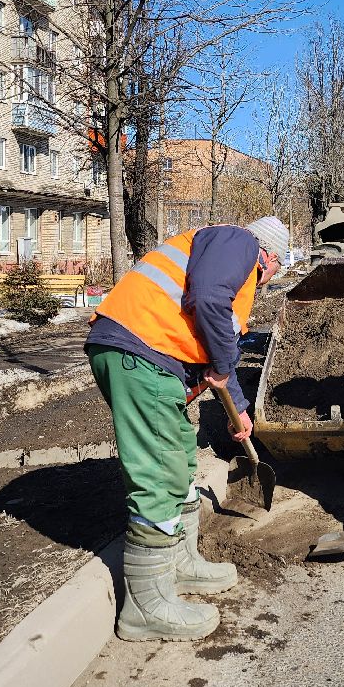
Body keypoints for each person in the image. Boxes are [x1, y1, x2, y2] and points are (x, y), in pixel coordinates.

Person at [86, 216, 288, 641]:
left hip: (145, 354)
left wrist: (242, 411)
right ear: (270, 258)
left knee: (178, 451)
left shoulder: (224, 262)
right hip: (140, 351)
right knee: (159, 472)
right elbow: (210, 303)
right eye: (272, 275)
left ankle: (180, 561)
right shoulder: (239, 243)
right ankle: (145, 607)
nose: (266, 282)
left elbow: (222, 348)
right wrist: (219, 364)